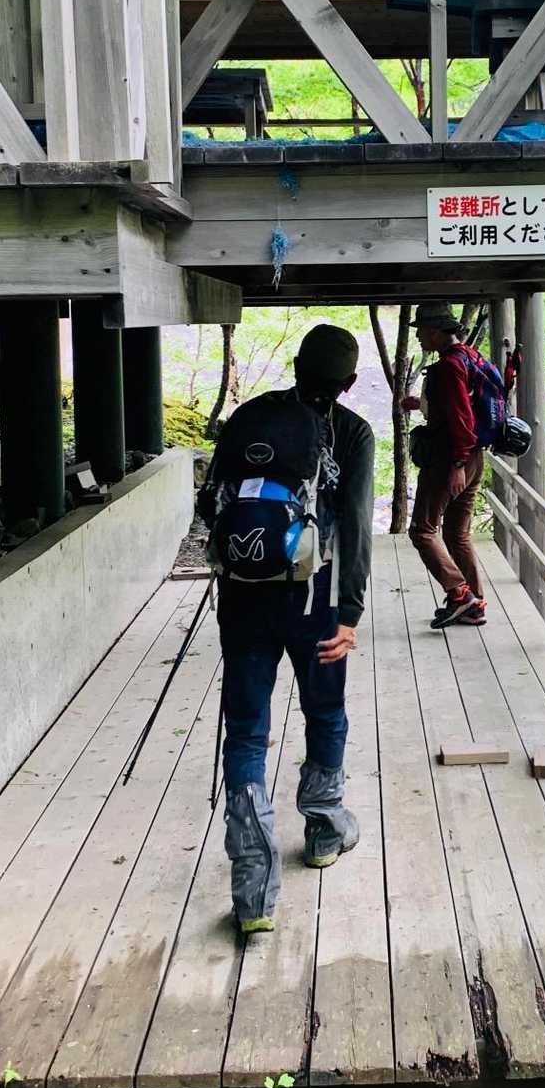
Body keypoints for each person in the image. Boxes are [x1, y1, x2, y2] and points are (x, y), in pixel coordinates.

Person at [202, 323, 374, 935]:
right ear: (349, 382)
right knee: (324, 713)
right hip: (315, 602)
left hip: (243, 599)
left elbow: (211, 505)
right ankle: (323, 830)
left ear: (297, 367)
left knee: (247, 732)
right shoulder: (352, 432)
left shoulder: (251, 418)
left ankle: (253, 890)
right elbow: (355, 524)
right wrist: (350, 613)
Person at [403, 301, 487, 630]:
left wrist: (456, 464)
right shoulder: (470, 356)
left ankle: (459, 594)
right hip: (474, 457)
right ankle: (475, 606)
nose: (419, 336)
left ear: (436, 331)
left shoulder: (448, 367)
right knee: (456, 533)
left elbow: (461, 418)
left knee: (422, 530)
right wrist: (421, 404)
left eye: (422, 330)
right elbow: (461, 406)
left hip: (450, 459)